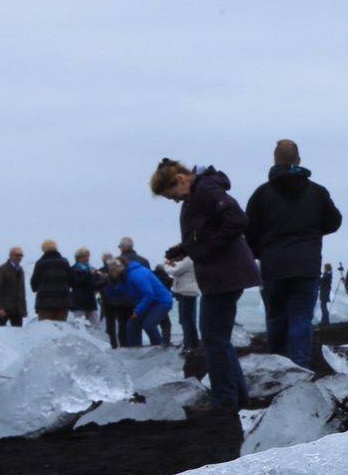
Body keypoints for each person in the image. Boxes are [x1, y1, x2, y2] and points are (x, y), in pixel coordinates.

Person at [151, 159, 258, 415]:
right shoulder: (196, 195)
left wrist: (208, 249)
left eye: (172, 195)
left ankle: (224, 400)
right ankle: (236, 395)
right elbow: (206, 229)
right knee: (218, 337)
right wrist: (185, 248)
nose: (174, 200)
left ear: (179, 179)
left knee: (213, 338)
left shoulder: (206, 190)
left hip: (225, 273)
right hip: (223, 274)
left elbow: (236, 218)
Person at [244, 139, 342, 369]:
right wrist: (312, 233)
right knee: (301, 317)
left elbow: (248, 230)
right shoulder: (316, 192)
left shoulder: (262, 194)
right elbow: (334, 222)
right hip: (306, 265)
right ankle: (300, 364)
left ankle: (278, 364)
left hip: (273, 265)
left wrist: (261, 252)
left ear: (275, 160)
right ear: (298, 160)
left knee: (276, 316)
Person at [105, 257, 174, 346]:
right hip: (149, 303)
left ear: (119, 268)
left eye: (112, 270)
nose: (110, 273)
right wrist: (107, 285)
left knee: (149, 325)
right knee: (132, 325)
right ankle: (136, 351)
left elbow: (148, 294)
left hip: (161, 302)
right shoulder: (123, 278)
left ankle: (160, 348)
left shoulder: (136, 274)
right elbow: (117, 293)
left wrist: (138, 311)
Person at [30, 240, 73, 323]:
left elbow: (33, 285)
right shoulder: (64, 262)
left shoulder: (40, 263)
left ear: (43, 249)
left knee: (46, 331)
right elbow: (73, 280)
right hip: (63, 301)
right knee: (61, 329)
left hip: (44, 302)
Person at [165, 247, 200, 348]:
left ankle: (189, 343)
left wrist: (166, 265)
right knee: (188, 319)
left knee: (185, 320)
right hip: (189, 292)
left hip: (186, 293)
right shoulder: (190, 260)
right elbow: (179, 268)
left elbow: (175, 271)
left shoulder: (188, 260)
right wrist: (174, 263)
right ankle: (193, 342)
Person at [0, 247, 27, 327]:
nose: (19, 258)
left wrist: (23, 310)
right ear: (10, 255)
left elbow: (22, 291)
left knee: (18, 335)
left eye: (21, 256)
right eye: (17, 255)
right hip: (4, 309)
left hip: (17, 310)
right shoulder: (2, 270)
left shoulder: (20, 270)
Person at [69, 247, 101, 324]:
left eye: (87, 256)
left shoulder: (92, 269)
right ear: (78, 258)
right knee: (80, 326)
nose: (86, 258)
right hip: (79, 303)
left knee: (96, 326)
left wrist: (103, 280)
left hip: (91, 302)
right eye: (83, 257)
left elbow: (94, 286)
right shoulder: (74, 269)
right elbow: (77, 283)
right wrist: (90, 275)